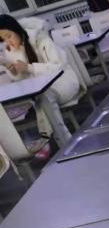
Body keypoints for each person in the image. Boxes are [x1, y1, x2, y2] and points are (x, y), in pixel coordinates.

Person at [0, 15, 80, 147]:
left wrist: (30, 68)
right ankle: (60, 140)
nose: (8, 42)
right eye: (3, 39)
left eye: (9, 36)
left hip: (64, 83)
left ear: (17, 29)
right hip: (41, 92)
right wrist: (13, 71)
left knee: (43, 98)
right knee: (41, 99)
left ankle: (51, 141)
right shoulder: (10, 50)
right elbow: (23, 80)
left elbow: (58, 67)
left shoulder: (41, 39)